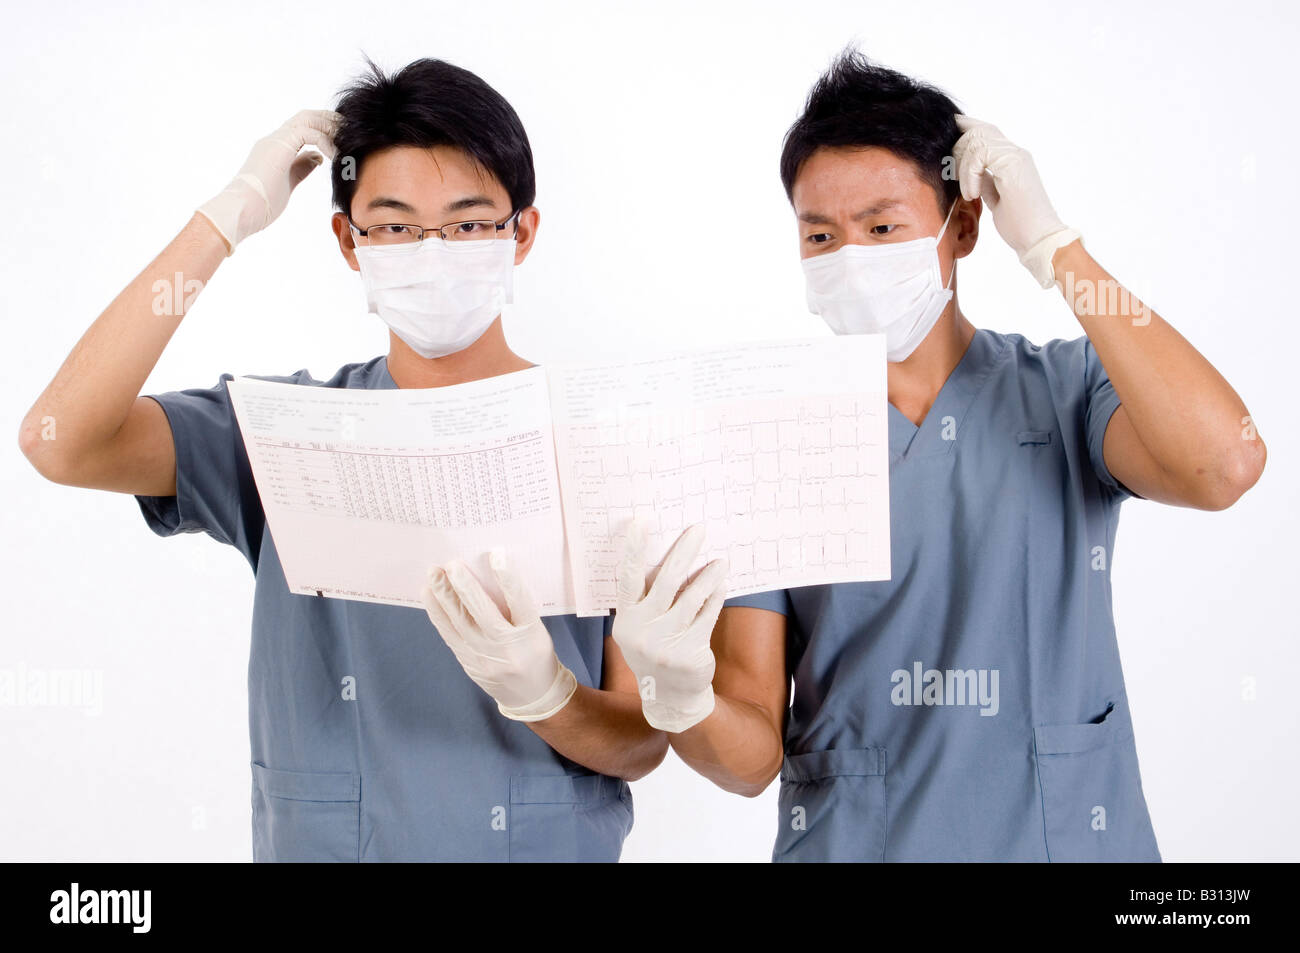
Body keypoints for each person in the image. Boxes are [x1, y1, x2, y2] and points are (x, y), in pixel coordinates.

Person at [18, 55, 714, 862]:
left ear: (521, 232)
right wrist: (225, 218)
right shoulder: (286, 435)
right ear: (350, 242)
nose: (431, 250)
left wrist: (548, 696)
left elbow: (639, 746)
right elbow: (58, 438)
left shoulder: (607, 438)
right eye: (394, 226)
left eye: (466, 222)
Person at [611, 50, 1267, 861]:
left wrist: (1059, 249)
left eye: (883, 228)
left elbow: (1224, 464)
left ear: (961, 226)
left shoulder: (1067, 394)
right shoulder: (769, 441)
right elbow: (750, 757)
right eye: (820, 235)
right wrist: (681, 696)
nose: (850, 258)